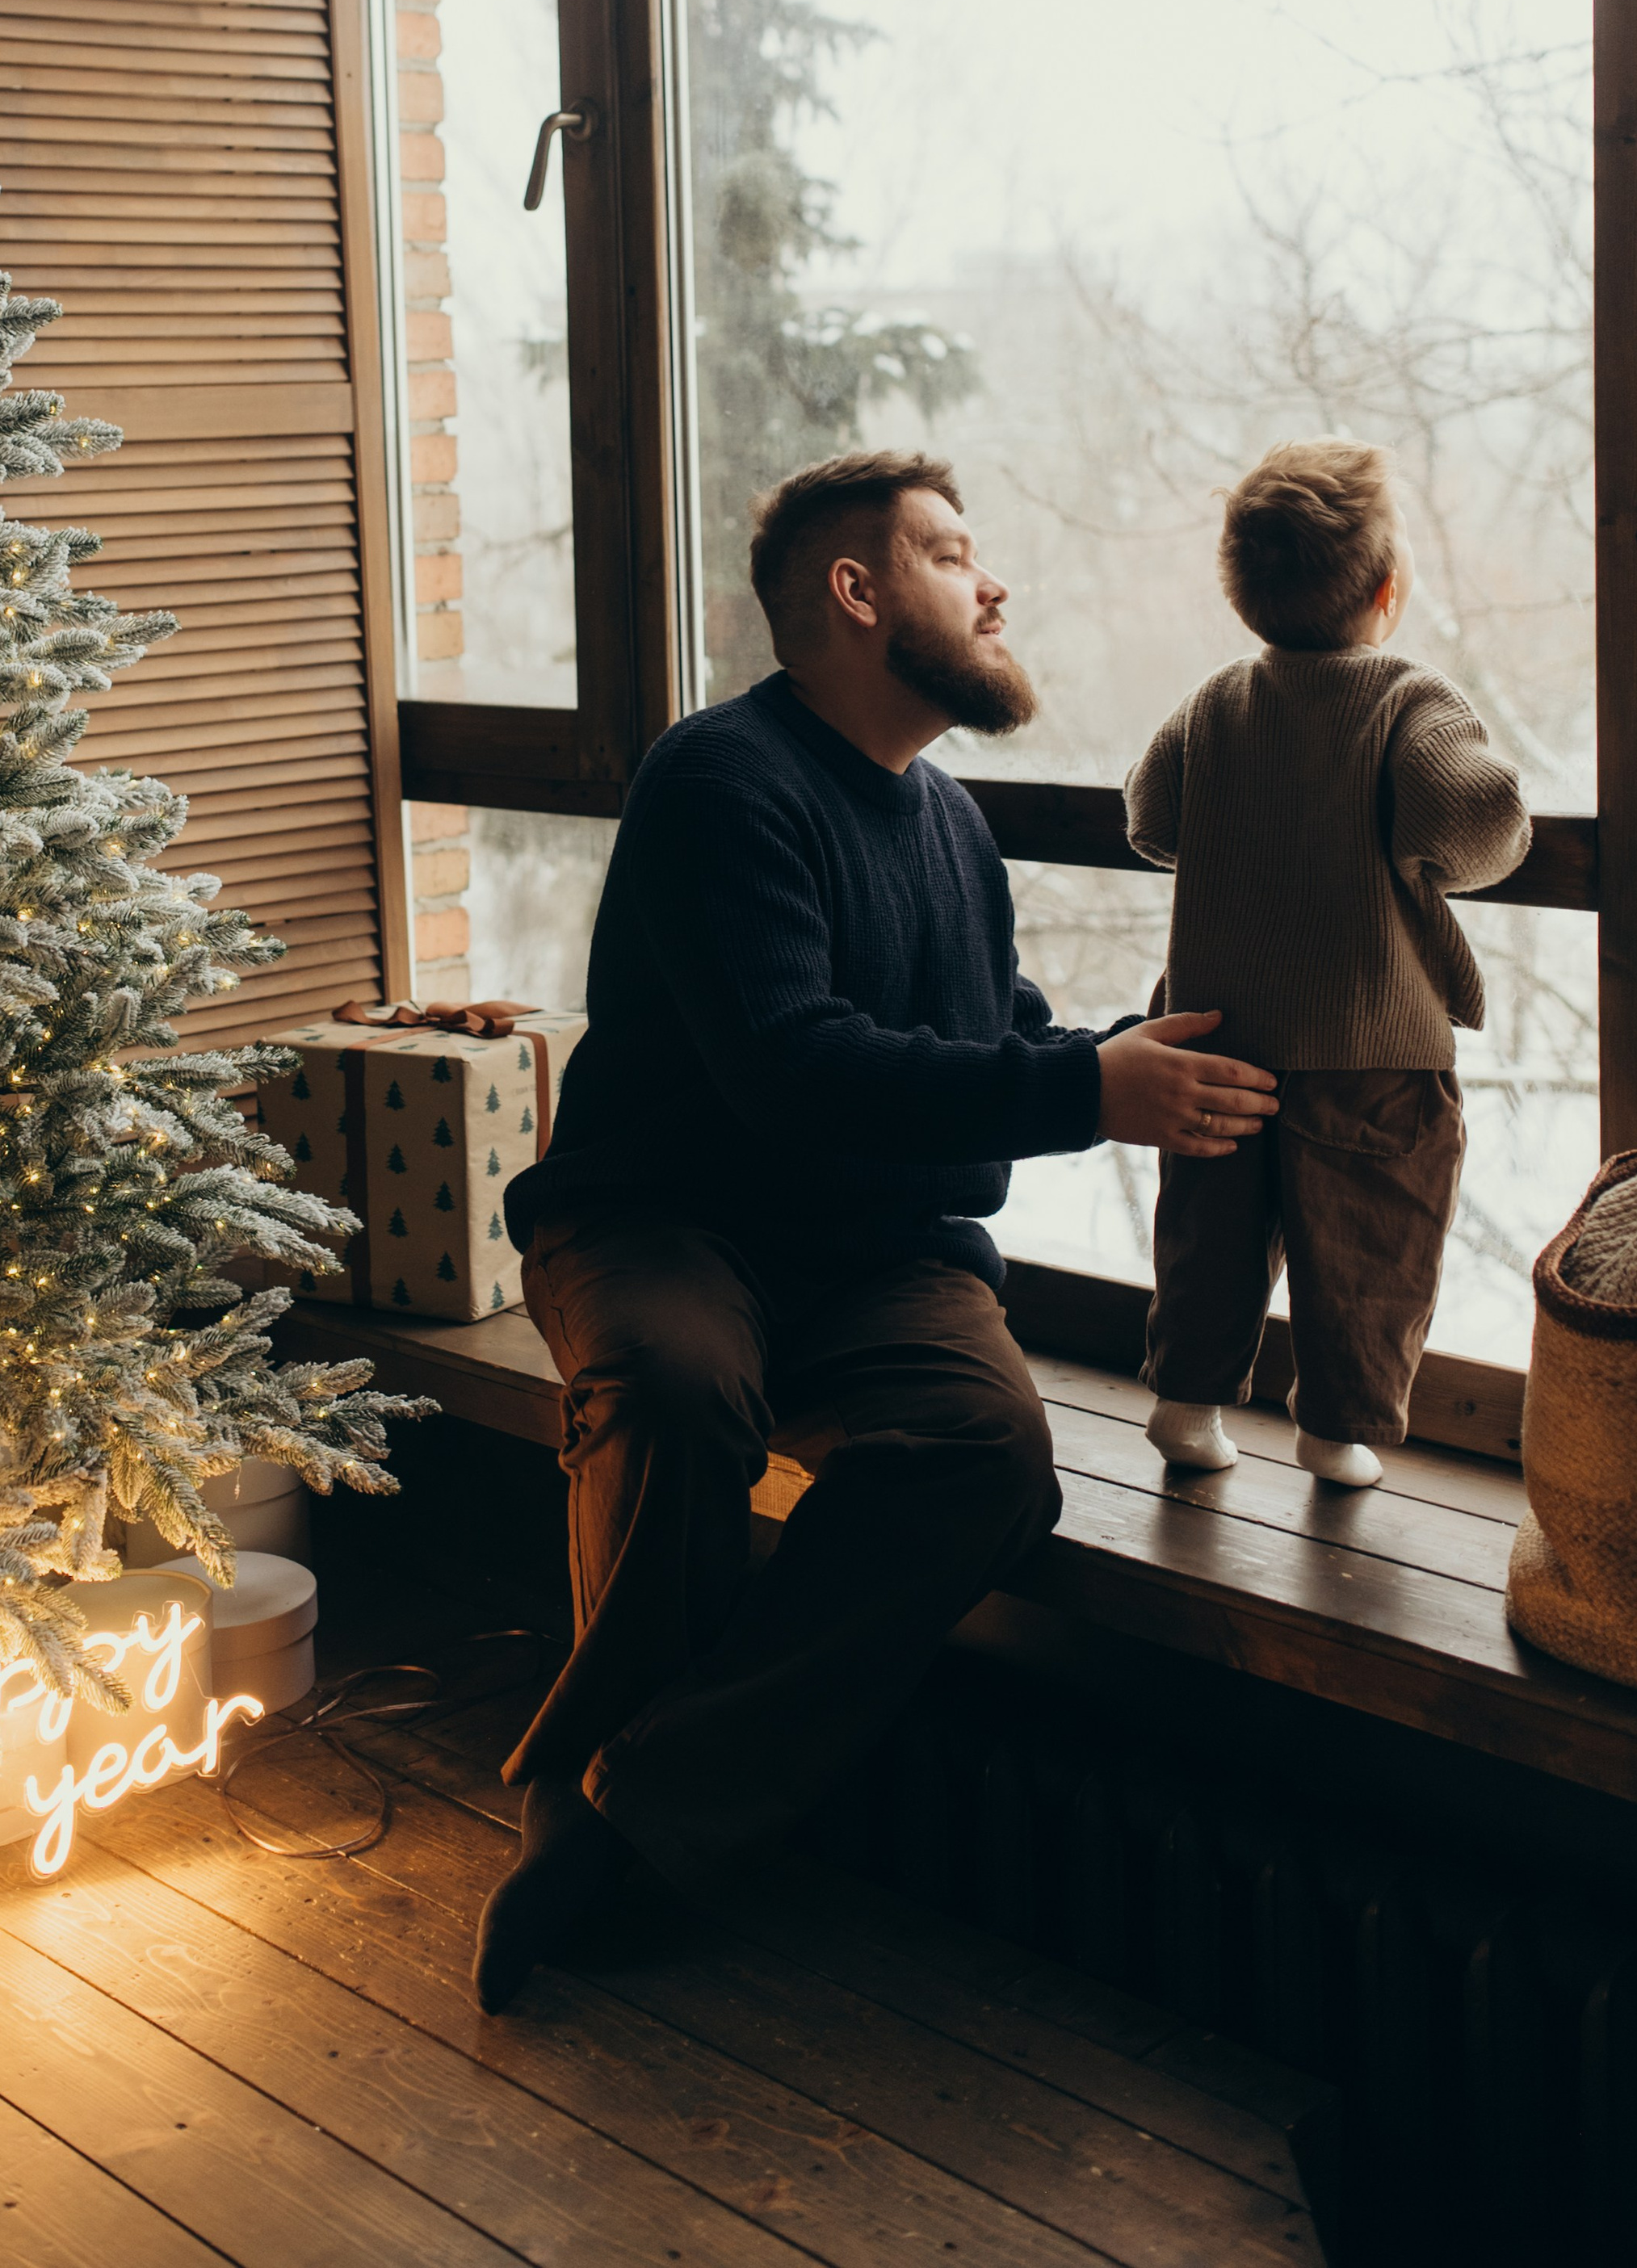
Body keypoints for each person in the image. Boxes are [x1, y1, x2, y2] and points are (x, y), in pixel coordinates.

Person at [474, 449, 1279, 2010]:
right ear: (858, 591)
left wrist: (1140, 1062)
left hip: (876, 1253)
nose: (996, 587)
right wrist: (1082, 1090)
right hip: (661, 1223)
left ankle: (624, 1803)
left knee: (986, 1459)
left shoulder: (952, 829)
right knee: (680, 1393)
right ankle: (594, 1830)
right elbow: (798, 1068)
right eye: (956, 554)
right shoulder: (719, 780)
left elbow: (985, 1036)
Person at [1126, 438, 1530, 1491]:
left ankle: (1186, 1402)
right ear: (1387, 590)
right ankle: (1336, 1432)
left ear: (1244, 596)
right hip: (1371, 1042)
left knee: (1209, 1228)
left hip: (1215, 1033)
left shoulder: (1216, 702)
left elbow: (1152, 816)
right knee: (1370, 1240)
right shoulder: (1406, 697)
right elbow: (1471, 821)